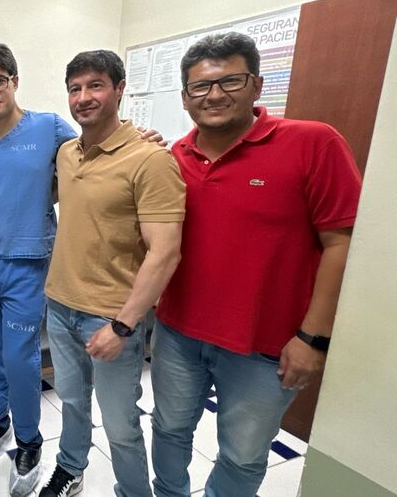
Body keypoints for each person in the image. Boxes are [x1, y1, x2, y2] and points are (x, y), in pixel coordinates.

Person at [150, 32, 361, 497]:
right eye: (201, 86)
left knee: (242, 455)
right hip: (178, 333)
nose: (214, 95)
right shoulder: (173, 158)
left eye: (230, 81)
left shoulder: (313, 143)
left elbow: (342, 244)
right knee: (167, 430)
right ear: (185, 97)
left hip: (265, 346)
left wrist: (313, 338)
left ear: (257, 85)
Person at [38, 50, 185, 497]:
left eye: (95, 85)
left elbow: (165, 252)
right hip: (60, 306)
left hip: (110, 317)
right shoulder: (67, 153)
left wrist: (122, 326)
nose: (83, 97)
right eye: (75, 88)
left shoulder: (150, 159)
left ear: (120, 89)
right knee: (72, 403)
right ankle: (70, 467)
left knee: (121, 422)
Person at [0, 43, 78, 496]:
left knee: (18, 357)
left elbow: (92, 159)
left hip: (28, 264)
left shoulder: (48, 127)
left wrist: (138, 139)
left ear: (14, 81)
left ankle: (29, 440)